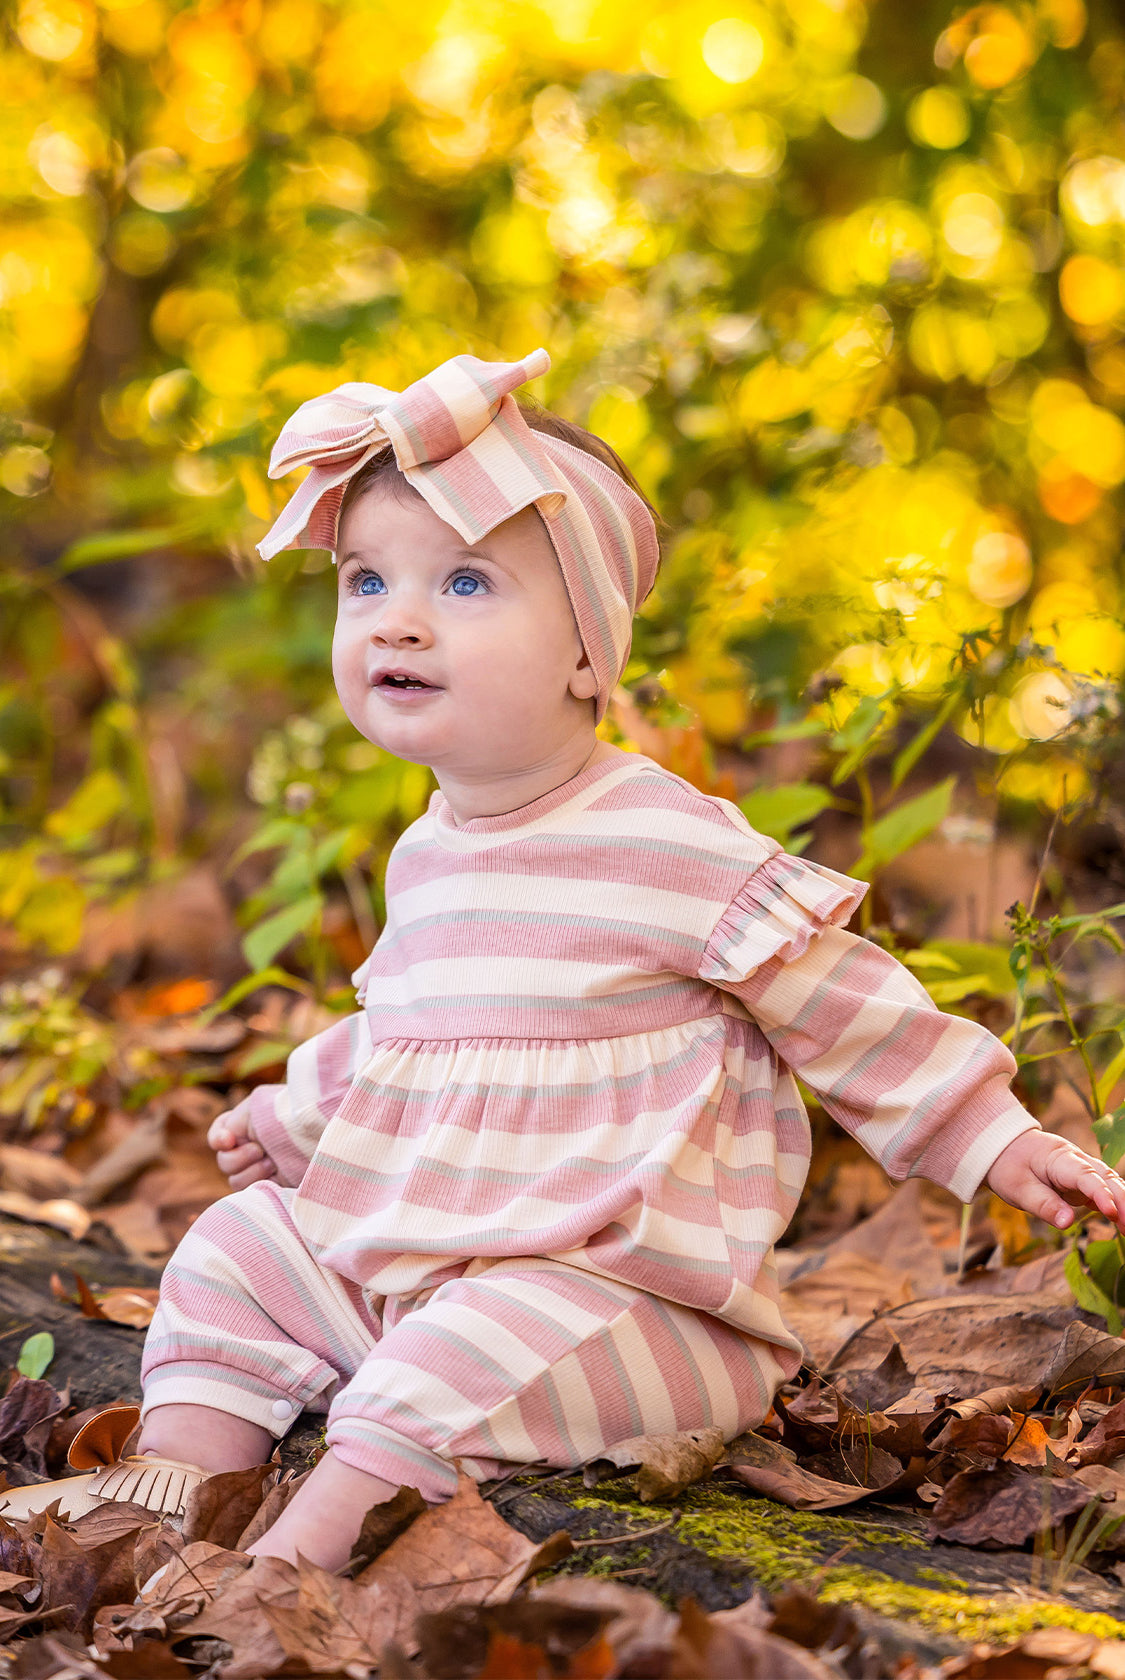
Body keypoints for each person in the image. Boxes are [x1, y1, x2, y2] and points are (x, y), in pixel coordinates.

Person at [11, 348, 1125, 1564]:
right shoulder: (429, 848)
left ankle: (274, 1580)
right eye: (366, 579)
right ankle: (176, 1489)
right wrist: (304, 1111)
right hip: (441, 1274)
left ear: (587, 653)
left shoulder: (664, 837)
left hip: (636, 1310)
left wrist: (993, 1134)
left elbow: (840, 1002)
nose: (398, 617)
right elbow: (423, 1027)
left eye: (466, 582)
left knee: (452, 1359)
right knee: (238, 1248)